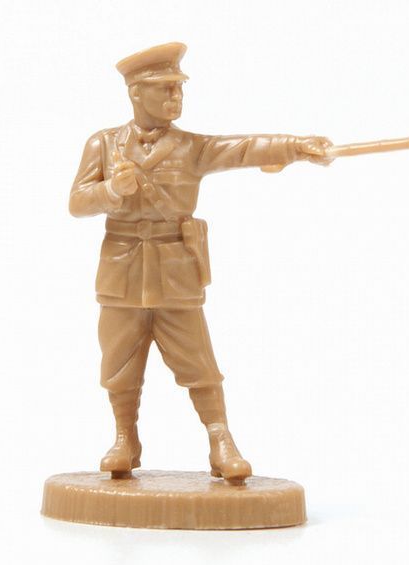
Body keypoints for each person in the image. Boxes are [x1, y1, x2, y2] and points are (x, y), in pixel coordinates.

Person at [69, 42, 332, 483]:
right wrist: (112, 191)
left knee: (197, 360)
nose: (176, 96)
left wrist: (295, 146)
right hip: (121, 268)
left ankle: (220, 439)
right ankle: (124, 438)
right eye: (165, 88)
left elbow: (242, 149)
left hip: (175, 268)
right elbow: (77, 202)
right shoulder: (104, 144)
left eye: (178, 88)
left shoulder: (190, 147)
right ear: (136, 93)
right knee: (118, 361)